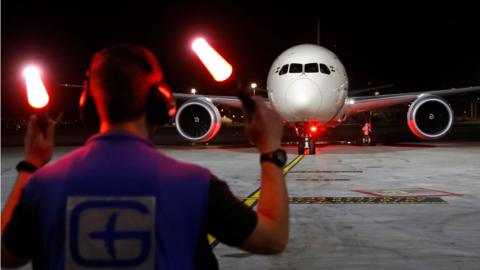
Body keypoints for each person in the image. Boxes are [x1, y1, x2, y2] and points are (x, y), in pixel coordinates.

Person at [1, 44, 288, 269]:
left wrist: (31, 164)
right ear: (161, 103)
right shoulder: (195, 185)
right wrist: (269, 151)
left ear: (86, 105)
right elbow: (272, 239)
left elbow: (6, 255)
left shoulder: (43, 186)